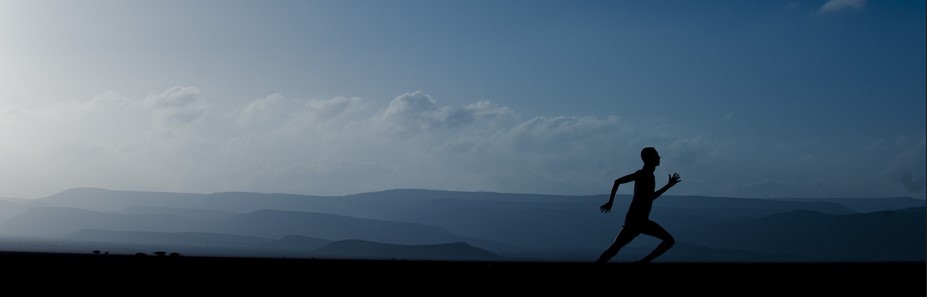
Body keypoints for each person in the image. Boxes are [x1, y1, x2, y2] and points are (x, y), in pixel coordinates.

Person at [596, 147, 681, 264]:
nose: (659, 157)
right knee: (669, 241)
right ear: (650, 159)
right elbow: (618, 181)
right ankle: (643, 263)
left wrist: (668, 186)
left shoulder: (647, 175)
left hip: (634, 220)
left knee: (614, 249)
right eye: (656, 155)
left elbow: (648, 197)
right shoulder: (643, 174)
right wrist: (610, 202)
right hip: (638, 220)